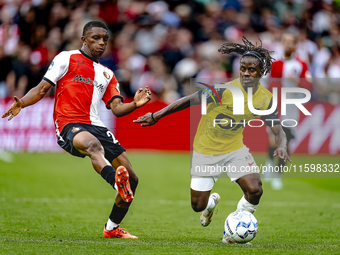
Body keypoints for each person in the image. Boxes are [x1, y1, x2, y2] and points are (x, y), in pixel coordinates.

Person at [2, 21, 151, 239]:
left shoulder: (108, 74)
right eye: (96, 38)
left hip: (96, 125)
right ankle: (115, 182)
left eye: (105, 40)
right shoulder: (66, 58)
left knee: (133, 178)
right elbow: (42, 88)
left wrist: (136, 104)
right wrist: (22, 103)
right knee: (93, 146)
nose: (101, 43)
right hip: (68, 124)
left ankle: (112, 228)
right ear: (84, 39)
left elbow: (117, 109)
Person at [134, 36, 291, 243]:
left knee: (255, 190)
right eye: (243, 68)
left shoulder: (265, 99)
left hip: (235, 149)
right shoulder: (223, 90)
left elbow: (277, 128)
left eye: (251, 70)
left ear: (261, 72)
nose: (245, 73)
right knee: (197, 205)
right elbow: (188, 100)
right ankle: (209, 205)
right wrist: (156, 115)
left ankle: (233, 232)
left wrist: (282, 145)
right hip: (206, 150)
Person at [265, 32, 312, 190]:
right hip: (275, 105)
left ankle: (277, 176)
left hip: (292, 107)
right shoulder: (275, 64)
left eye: (292, 42)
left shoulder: (301, 65)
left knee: (286, 142)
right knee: (273, 139)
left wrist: (298, 81)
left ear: (295, 45)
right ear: (282, 43)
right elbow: (266, 84)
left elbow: (309, 85)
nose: (289, 44)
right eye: (286, 41)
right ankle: (270, 164)